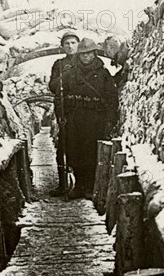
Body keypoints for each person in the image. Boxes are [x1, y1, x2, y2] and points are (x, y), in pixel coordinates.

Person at [62, 38, 119, 199]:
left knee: (91, 152)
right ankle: (79, 185)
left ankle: (90, 186)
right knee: (75, 151)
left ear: (94, 54)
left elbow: (112, 98)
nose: (86, 57)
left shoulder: (103, 73)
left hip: (95, 119)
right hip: (75, 117)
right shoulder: (71, 73)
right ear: (78, 56)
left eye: (89, 54)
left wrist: (110, 119)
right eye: (82, 54)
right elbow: (60, 92)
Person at [48, 30, 80, 196]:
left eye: (73, 43)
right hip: (65, 109)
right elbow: (52, 87)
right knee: (63, 147)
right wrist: (66, 76)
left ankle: (82, 184)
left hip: (81, 110)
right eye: (67, 43)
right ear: (62, 47)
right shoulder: (58, 64)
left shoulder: (84, 61)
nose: (70, 46)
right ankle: (62, 184)